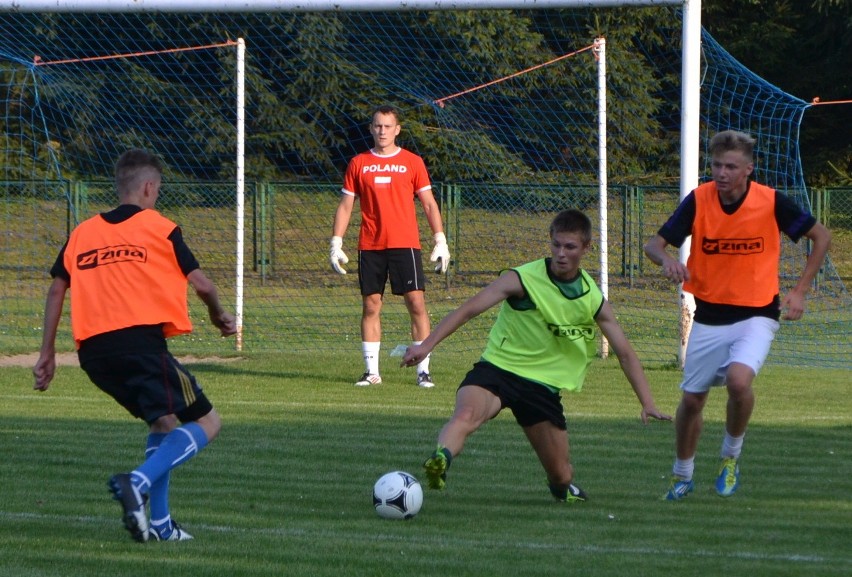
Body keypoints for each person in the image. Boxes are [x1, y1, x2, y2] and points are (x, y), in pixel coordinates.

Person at [32, 149, 237, 542]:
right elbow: (203, 284)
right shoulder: (160, 227)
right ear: (148, 187)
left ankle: (160, 526)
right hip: (140, 345)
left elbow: (57, 287)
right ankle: (136, 481)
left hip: (94, 355)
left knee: (163, 422)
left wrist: (47, 354)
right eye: (157, 190)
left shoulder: (83, 232)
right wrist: (217, 315)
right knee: (208, 422)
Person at [402, 209, 671, 501]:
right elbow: (469, 309)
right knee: (466, 414)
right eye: (556, 244)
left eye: (570, 247)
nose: (561, 253)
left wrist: (647, 402)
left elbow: (626, 354)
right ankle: (441, 458)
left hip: (541, 387)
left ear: (586, 248)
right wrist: (426, 345)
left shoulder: (590, 297)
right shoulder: (522, 278)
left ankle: (562, 489)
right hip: (498, 370)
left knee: (562, 474)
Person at [644, 130, 831, 501]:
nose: (722, 172)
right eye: (716, 165)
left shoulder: (771, 201)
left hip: (758, 313)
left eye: (731, 166)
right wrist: (666, 260)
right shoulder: (699, 200)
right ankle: (682, 475)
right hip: (709, 317)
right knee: (693, 400)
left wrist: (800, 291)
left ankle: (730, 457)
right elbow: (654, 244)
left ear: (749, 169)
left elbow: (821, 236)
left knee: (739, 381)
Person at [330, 104, 450, 388]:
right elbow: (346, 206)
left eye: (388, 126)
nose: (382, 131)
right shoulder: (359, 163)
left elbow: (429, 203)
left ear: (397, 130)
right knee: (371, 305)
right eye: (377, 126)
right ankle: (372, 373)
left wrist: (440, 240)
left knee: (416, 303)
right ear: (371, 129)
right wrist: (336, 242)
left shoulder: (412, 162)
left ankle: (423, 370)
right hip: (370, 245)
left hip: (405, 243)